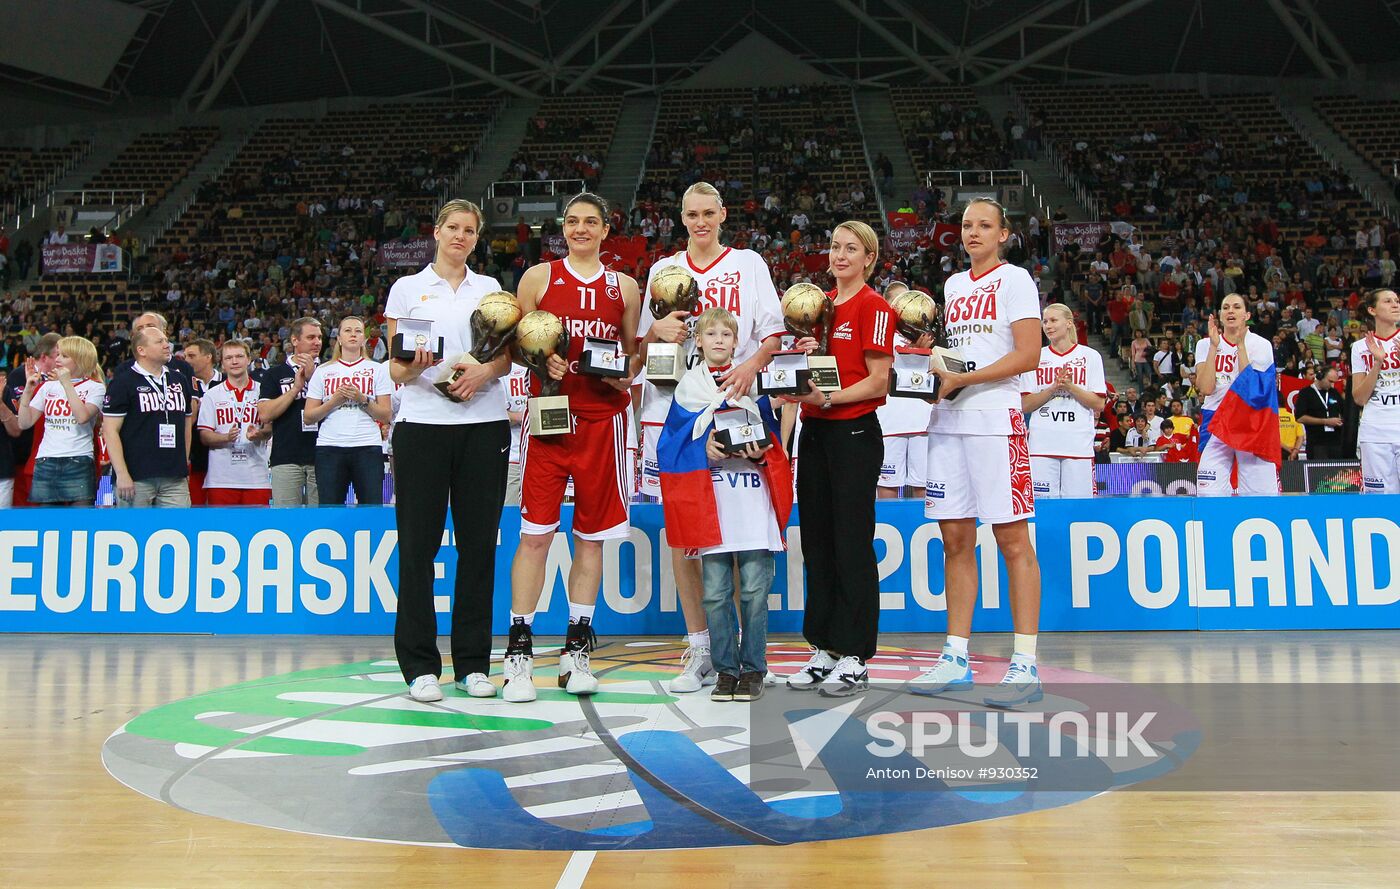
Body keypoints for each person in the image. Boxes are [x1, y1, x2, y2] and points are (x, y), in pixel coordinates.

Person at [637, 182, 785, 694]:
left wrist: (748, 368)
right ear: (680, 218)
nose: (701, 222)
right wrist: (659, 332)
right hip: (673, 404)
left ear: (723, 215)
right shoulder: (663, 271)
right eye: (692, 214)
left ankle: (743, 658)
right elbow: (643, 339)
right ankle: (701, 647)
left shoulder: (748, 264)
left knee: (739, 523)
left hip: (738, 402)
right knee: (685, 530)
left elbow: (772, 334)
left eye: (709, 213)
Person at [504, 192, 641, 704]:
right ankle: (519, 654)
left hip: (604, 424)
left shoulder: (624, 286)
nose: (581, 229)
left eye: (591, 222)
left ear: (607, 230)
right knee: (536, 535)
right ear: (563, 228)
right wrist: (543, 366)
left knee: (591, 539)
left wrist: (624, 372)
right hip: (547, 420)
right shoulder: (539, 278)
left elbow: (629, 363)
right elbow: (518, 347)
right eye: (572, 222)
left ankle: (575, 652)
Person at [913, 197, 1043, 706]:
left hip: (995, 421)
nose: (973, 233)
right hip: (949, 421)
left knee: (1013, 541)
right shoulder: (952, 286)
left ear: (1003, 233)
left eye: (984, 226)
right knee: (955, 541)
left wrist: (965, 378)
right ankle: (955, 657)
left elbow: (1028, 354)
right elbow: (961, 356)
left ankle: (1026, 664)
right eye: (967, 226)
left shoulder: (1015, 281)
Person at [387, 198, 513, 704]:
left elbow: (507, 356)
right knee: (418, 549)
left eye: (469, 230)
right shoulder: (408, 289)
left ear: (477, 238)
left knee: (479, 549)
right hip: (422, 424)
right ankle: (419, 667)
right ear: (436, 232)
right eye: (452, 228)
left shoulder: (491, 290)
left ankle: (473, 665)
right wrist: (419, 367)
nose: (460, 236)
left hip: (484, 424)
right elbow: (396, 370)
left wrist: (486, 371)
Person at [780, 220, 895, 698]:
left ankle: (855, 653)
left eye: (852, 248)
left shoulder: (876, 307)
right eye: (835, 247)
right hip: (816, 434)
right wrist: (807, 356)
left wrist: (832, 398)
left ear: (868, 258)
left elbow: (878, 381)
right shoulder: (817, 309)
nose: (840, 255)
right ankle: (823, 648)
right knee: (818, 544)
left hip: (853, 432)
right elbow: (812, 376)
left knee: (851, 542)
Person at [658, 307, 792, 703]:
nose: (718, 339)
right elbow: (671, 445)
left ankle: (753, 669)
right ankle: (724, 669)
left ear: (737, 342)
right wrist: (705, 447)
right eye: (710, 333)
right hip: (711, 504)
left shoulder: (751, 385)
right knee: (715, 593)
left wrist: (759, 451)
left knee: (753, 591)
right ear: (697, 341)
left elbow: (772, 442)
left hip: (751, 501)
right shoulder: (688, 388)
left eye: (726, 334)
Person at [1193, 295, 1280, 496]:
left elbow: (1251, 388)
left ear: (1247, 315)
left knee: (1259, 494)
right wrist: (1214, 347)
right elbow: (1205, 388)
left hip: (1249, 420)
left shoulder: (1261, 344)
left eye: (1236, 307)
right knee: (1208, 493)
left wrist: (1240, 346)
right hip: (1215, 419)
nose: (1230, 311)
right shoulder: (1205, 345)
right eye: (1225, 307)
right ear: (1220, 315)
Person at [303, 316, 393, 505]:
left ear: (364, 339)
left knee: (371, 508)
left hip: (367, 446)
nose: (353, 334)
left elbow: (386, 415)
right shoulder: (323, 371)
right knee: (329, 508)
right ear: (339, 339)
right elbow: (309, 417)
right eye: (348, 330)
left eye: (358, 331)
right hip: (330, 448)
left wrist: (362, 399)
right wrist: (334, 401)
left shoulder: (377, 370)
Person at [101, 326, 194, 507]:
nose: (167, 345)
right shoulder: (123, 382)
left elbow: (186, 423)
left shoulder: (179, 379)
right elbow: (110, 430)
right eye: (159, 342)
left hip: (174, 477)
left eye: (166, 341)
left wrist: (184, 464)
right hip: (136, 477)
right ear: (141, 350)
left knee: (178, 532)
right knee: (133, 532)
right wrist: (121, 473)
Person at [1021, 303, 1106, 498]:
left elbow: (1098, 403)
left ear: (1069, 323)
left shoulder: (1090, 356)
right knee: (1043, 507)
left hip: (1078, 444)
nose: (1048, 326)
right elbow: (1025, 405)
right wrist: (1052, 388)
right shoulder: (1035, 357)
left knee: (1079, 508)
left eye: (1053, 320)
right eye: (1044, 321)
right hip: (1042, 444)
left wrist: (1069, 386)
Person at [18, 336, 105, 505]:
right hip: (46, 460)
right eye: (57, 355)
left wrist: (66, 383)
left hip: (79, 460)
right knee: (47, 521)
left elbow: (82, 417)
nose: (57, 359)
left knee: (80, 522)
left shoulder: (95, 387)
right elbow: (24, 423)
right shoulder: (47, 387)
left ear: (80, 359)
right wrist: (28, 390)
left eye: (64, 356)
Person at [197, 340, 273, 505]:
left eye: (239, 356)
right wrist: (226, 437)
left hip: (257, 477)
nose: (234, 361)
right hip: (221, 479)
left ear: (248, 359)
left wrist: (259, 434)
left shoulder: (263, 390)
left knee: (258, 529)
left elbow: (270, 430)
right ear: (222, 363)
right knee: (221, 529)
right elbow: (204, 436)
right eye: (229, 358)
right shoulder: (212, 395)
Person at [257, 318, 324, 506]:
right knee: (286, 521)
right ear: (294, 340)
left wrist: (313, 379)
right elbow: (265, 414)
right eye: (311, 337)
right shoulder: (274, 374)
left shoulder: (329, 371)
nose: (317, 342)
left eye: (319, 337)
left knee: (321, 521)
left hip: (323, 455)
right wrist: (295, 389)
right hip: (285, 456)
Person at [877, 281, 932, 500]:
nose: (906, 305)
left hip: (922, 419)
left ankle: (925, 531)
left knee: (923, 487)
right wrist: (910, 353)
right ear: (887, 304)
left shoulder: (926, 333)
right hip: (890, 420)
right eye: (899, 301)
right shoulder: (880, 334)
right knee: (888, 487)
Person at [1351, 288, 1400, 492]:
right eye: (1388, 301)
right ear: (1372, 310)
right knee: (1380, 499)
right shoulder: (1360, 347)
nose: (1395, 304)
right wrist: (1378, 363)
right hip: (1376, 431)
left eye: (1397, 300)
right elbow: (1360, 398)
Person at [5, 333, 60, 506]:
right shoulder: (19, 375)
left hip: (52, 454)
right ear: (44, 357)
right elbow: (17, 413)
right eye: (58, 355)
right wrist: (31, 388)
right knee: (26, 511)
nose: (62, 360)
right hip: (25, 455)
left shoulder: (60, 379)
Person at [183, 338, 221, 504]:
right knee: (194, 507)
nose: (186, 361)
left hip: (224, 458)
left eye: (191, 356)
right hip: (195, 457)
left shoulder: (227, 381)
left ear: (208, 357)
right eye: (185, 357)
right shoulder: (182, 385)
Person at [1294, 367, 1345, 460]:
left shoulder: (1334, 393)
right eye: (1330, 381)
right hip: (1316, 443)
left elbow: (1344, 411)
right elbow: (1300, 417)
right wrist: (1325, 421)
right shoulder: (1306, 393)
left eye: (1334, 382)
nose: (1332, 385)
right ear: (1321, 377)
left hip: (1336, 442)